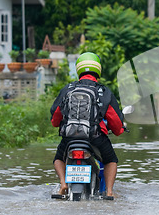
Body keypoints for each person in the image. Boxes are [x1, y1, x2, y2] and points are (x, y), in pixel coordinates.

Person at [50, 52, 125, 197]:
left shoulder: (68, 89)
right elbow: (116, 124)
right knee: (111, 160)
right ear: (98, 70)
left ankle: (63, 184)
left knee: (58, 158)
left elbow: (55, 119)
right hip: (95, 138)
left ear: (78, 69)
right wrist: (120, 129)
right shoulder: (104, 92)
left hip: (70, 139)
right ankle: (109, 192)